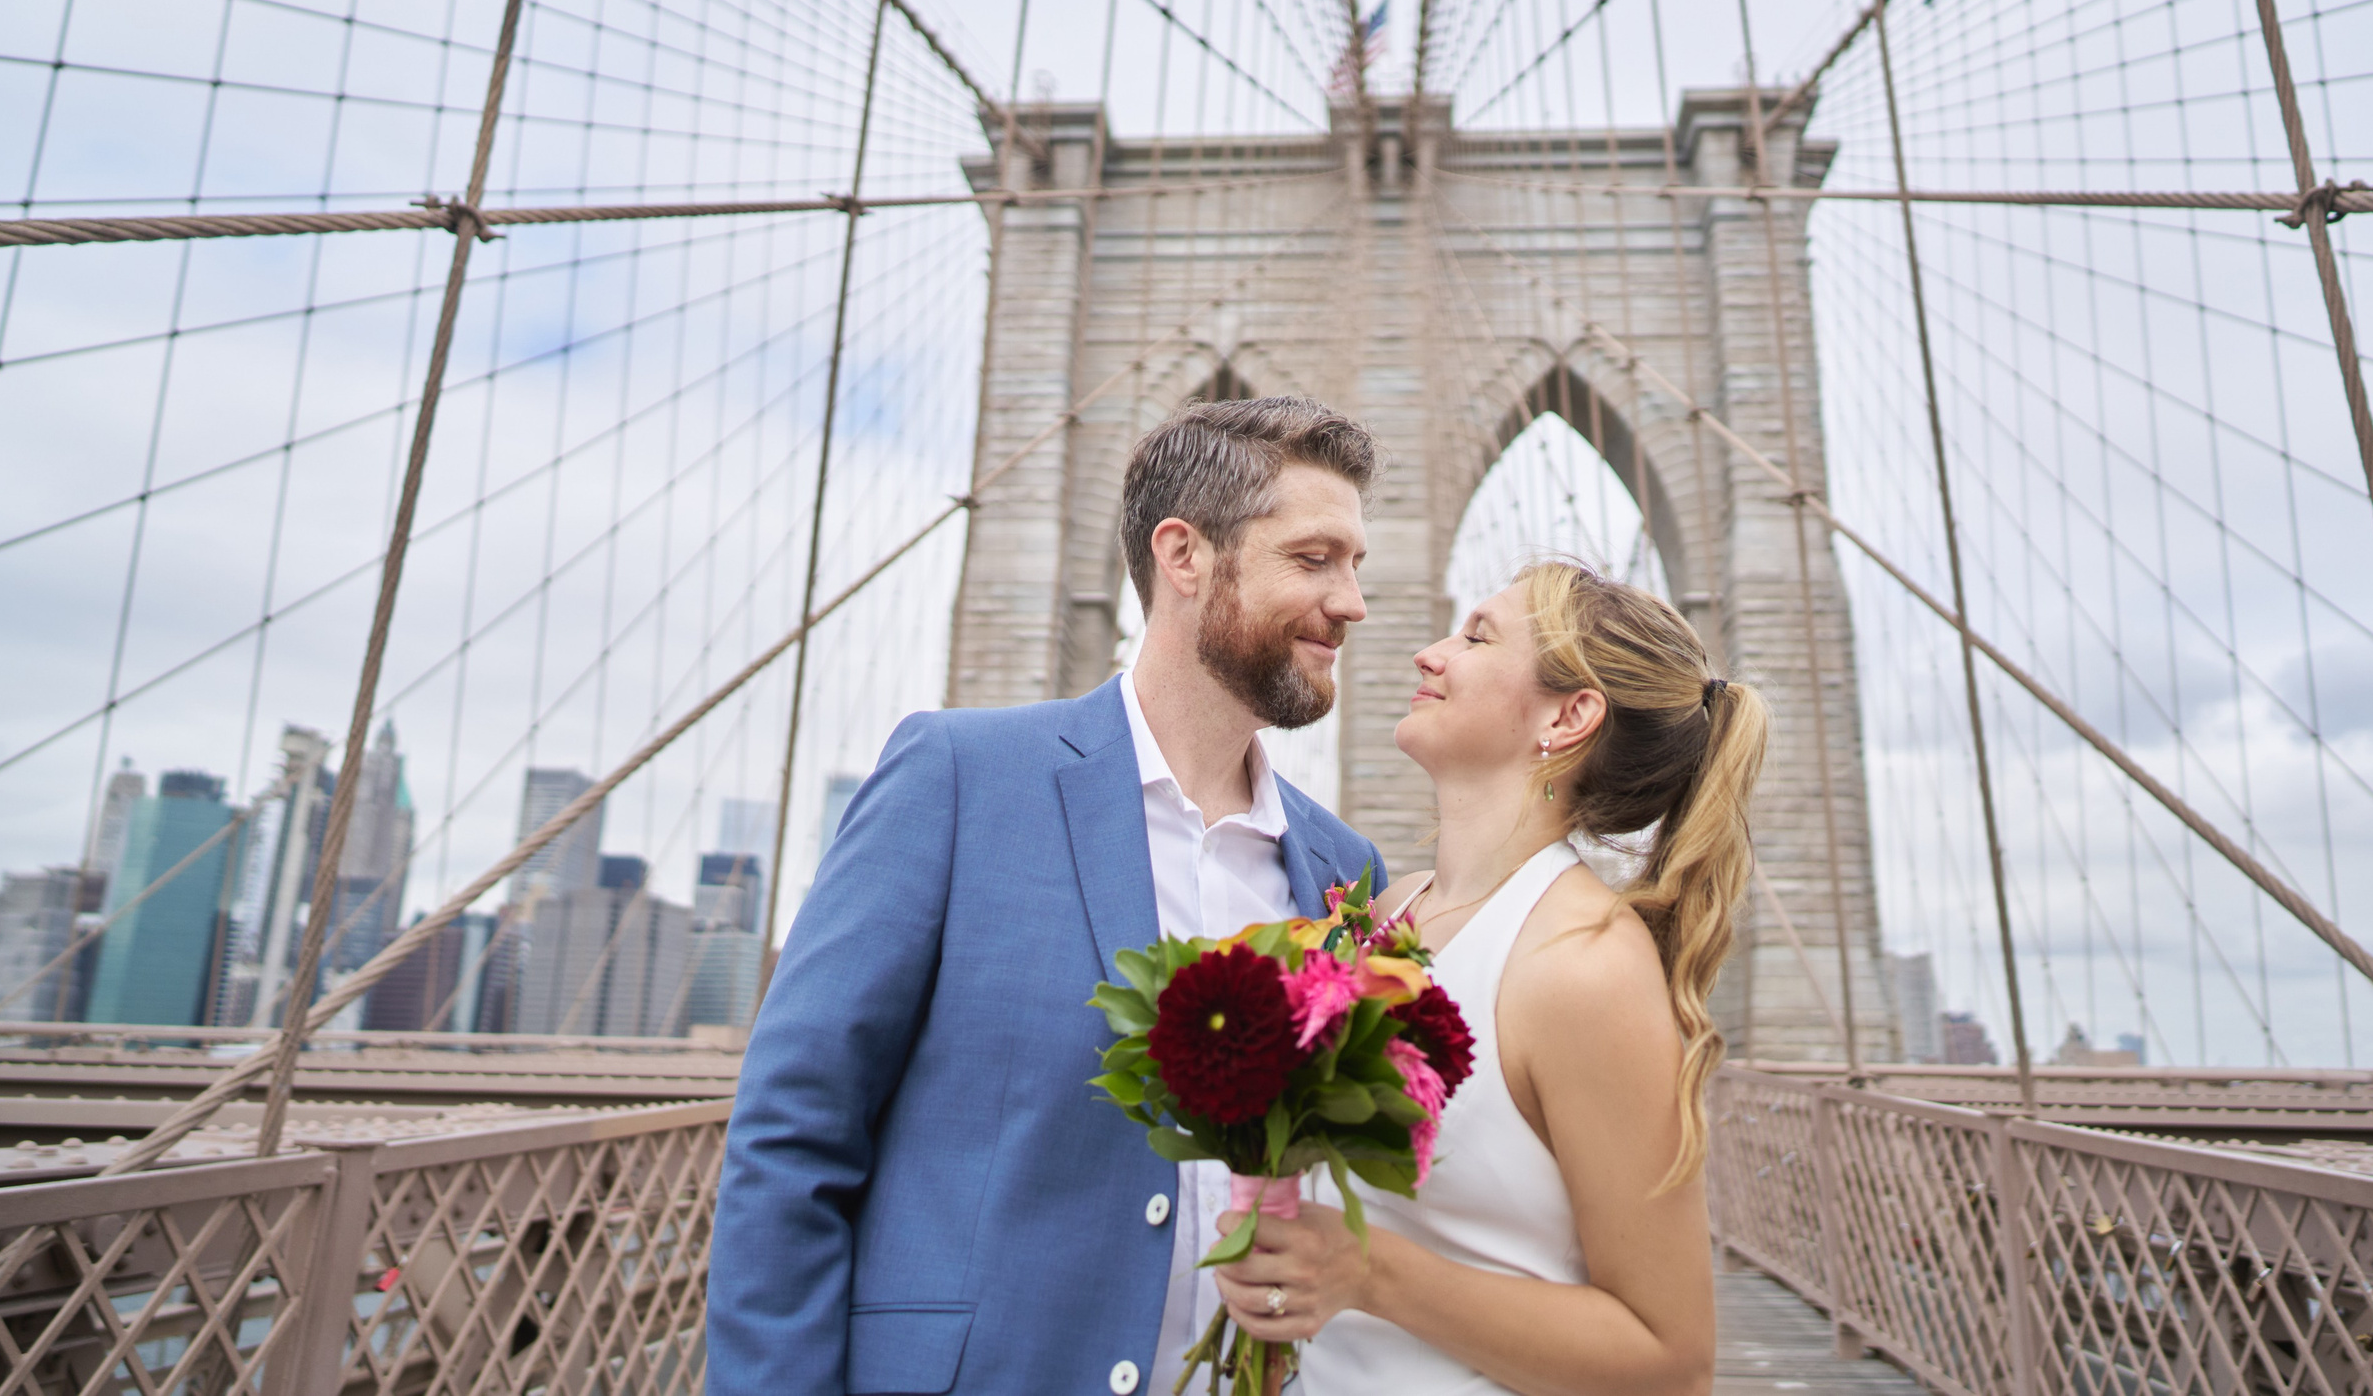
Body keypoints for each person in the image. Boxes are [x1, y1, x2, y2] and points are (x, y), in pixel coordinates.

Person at [709, 396, 1389, 1395]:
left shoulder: (1342, 873)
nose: (1353, 604)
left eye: (1356, 566)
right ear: (1185, 556)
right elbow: (790, 1138)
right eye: (1314, 559)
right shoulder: (958, 778)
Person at [1213, 560, 1766, 1395]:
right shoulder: (1388, 913)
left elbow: (1672, 1360)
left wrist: (1369, 1272)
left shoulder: (1584, 963)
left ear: (1569, 713)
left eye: (1476, 636)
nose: (1427, 655)